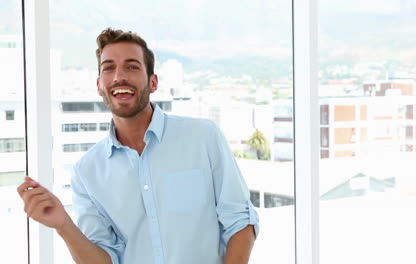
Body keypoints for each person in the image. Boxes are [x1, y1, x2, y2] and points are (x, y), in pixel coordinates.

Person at [17, 28, 259, 264]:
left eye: (132, 67)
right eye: (108, 68)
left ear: (153, 82)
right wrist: (63, 225)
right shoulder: (87, 171)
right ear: (99, 85)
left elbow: (240, 223)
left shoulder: (204, 137)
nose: (119, 76)